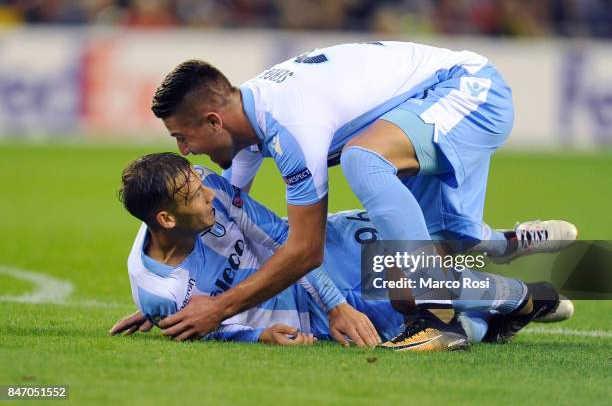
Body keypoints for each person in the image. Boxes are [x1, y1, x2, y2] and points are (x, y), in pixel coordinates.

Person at [149, 41, 577, 349]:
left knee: (363, 160)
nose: (183, 151)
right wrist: (170, 302)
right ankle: (510, 258)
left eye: (181, 137)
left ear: (212, 122)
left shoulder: (291, 125)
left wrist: (217, 310)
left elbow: (304, 251)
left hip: (468, 89)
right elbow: (220, 215)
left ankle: (431, 315)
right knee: (443, 241)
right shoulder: (249, 120)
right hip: (424, 106)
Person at [110, 153, 573, 350]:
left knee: (416, 250)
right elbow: (210, 329)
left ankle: (510, 255)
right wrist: (257, 336)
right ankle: (516, 302)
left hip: (318, 255)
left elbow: (280, 236)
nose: (210, 193)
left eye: (200, 184)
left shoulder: (200, 184)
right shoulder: (159, 288)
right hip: (303, 313)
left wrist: (335, 304)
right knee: (438, 318)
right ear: (165, 220)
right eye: (195, 196)